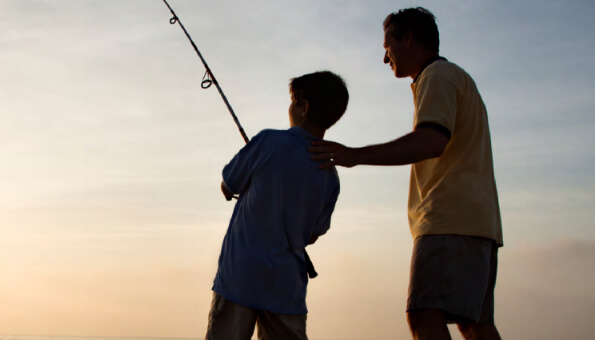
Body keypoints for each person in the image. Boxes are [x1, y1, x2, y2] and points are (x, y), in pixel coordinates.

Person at [309, 7, 503, 340]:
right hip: (480, 223)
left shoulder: (437, 77)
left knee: (423, 315)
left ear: (409, 39)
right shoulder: (458, 78)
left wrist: (354, 156)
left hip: (448, 219)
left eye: (388, 47)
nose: (386, 59)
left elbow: (432, 140)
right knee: (475, 325)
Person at [205, 71, 349, 340]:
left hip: (239, 277)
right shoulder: (330, 175)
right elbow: (313, 235)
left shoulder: (268, 141)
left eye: (292, 101)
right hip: (286, 289)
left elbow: (228, 184)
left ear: (303, 107)